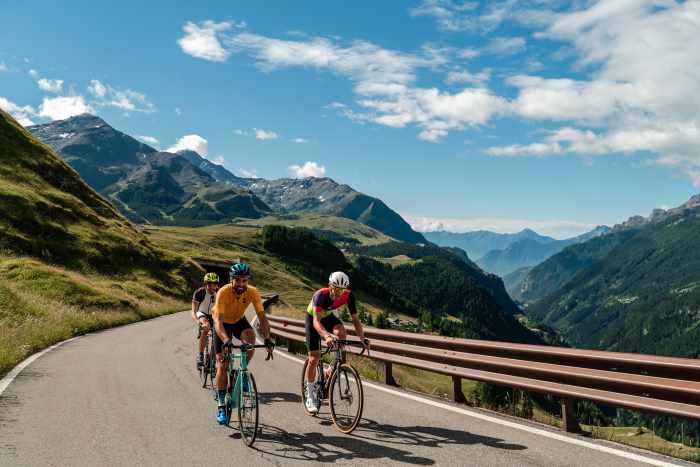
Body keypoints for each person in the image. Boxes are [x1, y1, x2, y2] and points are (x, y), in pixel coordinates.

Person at [213, 262, 273, 424]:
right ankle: (221, 404)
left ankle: (243, 371)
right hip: (222, 324)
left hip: (239, 321)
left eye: (244, 280)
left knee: (251, 338)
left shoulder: (253, 292)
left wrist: (267, 338)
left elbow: (262, 318)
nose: (241, 284)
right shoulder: (223, 292)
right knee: (222, 362)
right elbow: (218, 321)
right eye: (238, 280)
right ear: (231, 280)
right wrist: (226, 340)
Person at [304, 271, 368, 413]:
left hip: (328, 317)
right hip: (313, 318)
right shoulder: (320, 295)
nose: (339, 293)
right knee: (314, 357)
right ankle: (310, 394)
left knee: (341, 333)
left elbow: (355, 320)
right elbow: (316, 321)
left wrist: (362, 339)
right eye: (336, 289)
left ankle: (332, 367)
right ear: (330, 286)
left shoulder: (348, 295)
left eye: (342, 290)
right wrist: (326, 336)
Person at [191, 272, 219, 369]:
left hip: (213, 315)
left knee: (219, 335)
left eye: (214, 283)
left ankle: (212, 359)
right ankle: (200, 355)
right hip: (201, 313)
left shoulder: (219, 292)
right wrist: (198, 322)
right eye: (209, 283)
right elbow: (194, 311)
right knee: (206, 327)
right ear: (205, 284)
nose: (211, 286)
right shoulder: (200, 292)